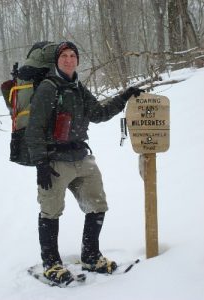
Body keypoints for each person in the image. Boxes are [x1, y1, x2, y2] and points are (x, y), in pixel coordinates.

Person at [25, 41, 144, 285]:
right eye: (64, 56)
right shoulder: (48, 88)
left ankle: (90, 255)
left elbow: (99, 113)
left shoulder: (78, 87)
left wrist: (125, 96)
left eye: (72, 55)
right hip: (54, 161)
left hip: (81, 157)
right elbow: (34, 129)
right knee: (51, 211)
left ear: (77, 60)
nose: (68, 59)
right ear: (57, 60)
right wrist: (41, 165)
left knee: (97, 205)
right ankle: (51, 263)